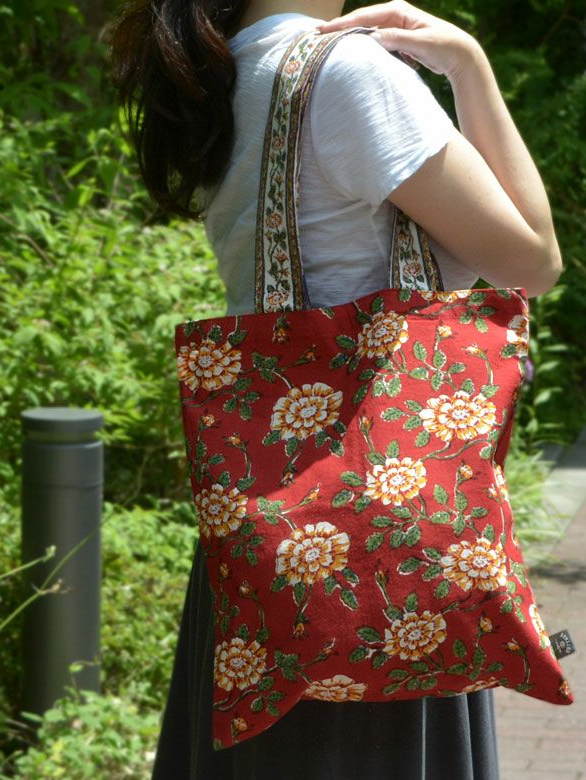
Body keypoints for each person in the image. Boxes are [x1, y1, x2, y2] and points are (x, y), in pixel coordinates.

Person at [110, 1, 562, 778]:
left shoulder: (225, 69)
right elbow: (534, 261)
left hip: (272, 540)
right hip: (377, 552)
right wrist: (470, 69)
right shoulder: (347, 73)